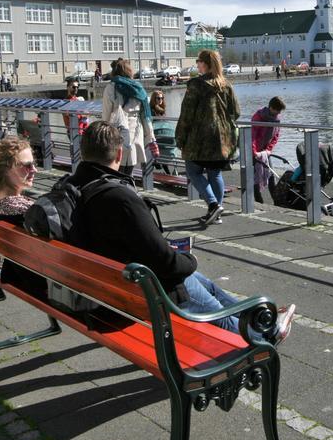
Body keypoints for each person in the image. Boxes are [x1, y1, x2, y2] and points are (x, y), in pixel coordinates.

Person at [68, 121, 295, 340]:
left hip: (107, 288)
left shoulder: (73, 189)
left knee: (209, 287)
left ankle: (257, 317)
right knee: (209, 303)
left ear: (84, 150)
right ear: (119, 155)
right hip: (144, 290)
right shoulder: (119, 198)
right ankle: (264, 335)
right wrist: (189, 259)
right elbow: (166, 263)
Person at [175, 49, 240, 227]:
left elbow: (186, 114)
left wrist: (180, 137)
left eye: (198, 61)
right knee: (215, 173)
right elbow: (236, 112)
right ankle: (216, 215)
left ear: (205, 63)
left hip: (199, 139)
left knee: (192, 171)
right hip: (222, 140)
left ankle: (212, 204)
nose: (197, 64)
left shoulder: (195, 85)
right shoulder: (226, 85)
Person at [0, 136, 46, 297]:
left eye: (34, 164)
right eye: (27, 166)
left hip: (18, 273)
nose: (34, 170)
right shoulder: (23, 211)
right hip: (41, 281)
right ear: (5, 170)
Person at [102, 59, 158, 175]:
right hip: (135, 129)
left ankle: (120, 189)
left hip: (117, 129)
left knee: (117, 165)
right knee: (130, 165)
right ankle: (128, 188)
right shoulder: (138, 88)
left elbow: (106, 114)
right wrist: (151, 137)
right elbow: (145, 116)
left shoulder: (111, 87)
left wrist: (104, 134)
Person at [251, 96, 286, 203]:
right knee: (256, 178)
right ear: (271, 107)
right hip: (254, 151)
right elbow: (252, 136)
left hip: (265, 151)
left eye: (280, 111)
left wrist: (269, 150)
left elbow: (276, 136)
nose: (278, 113)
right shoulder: (258, 117)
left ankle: (277, 201)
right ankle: (259, 202)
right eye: (277, 110)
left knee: (271, 175)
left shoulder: (277, 119)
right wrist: (254, 152)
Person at [149, 90, 181, 167]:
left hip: (161, 133)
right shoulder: (152, 110)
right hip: (156, 134)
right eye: (158, 98)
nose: (161, 100)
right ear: (154, 99)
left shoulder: (161, 109)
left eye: (162, 98)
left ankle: (162, 165)